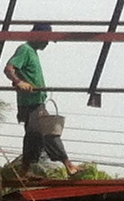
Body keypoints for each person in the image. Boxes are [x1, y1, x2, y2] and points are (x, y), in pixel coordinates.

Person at [6, 21, 75, 178]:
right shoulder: (25, 49)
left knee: (36, 134)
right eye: (46, 39)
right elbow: (9, 69)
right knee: (47, 132)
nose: (47, 43)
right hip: (32, 102)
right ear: (38, 36)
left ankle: (27, 169)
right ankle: (67, 164)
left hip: (36, 101)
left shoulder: (32, 52)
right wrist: (18, 82)